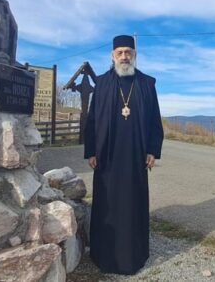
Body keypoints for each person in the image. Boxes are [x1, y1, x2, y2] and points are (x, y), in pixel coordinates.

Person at [84, 35, 164, 275]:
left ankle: (134, 254)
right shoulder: (103, 83)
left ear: (135, 55)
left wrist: (152, 150)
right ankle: (103, 254)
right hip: (107, 156)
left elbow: (154, 122)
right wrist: (91, 150)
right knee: (107, 203)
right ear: (112, 56)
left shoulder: (147, 84)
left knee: (132, 203)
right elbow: (93, 120)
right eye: (120, 52)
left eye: (128, 52)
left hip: (135, 156)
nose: (124, 56)